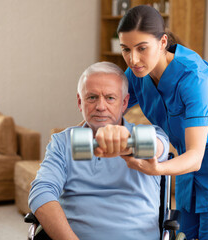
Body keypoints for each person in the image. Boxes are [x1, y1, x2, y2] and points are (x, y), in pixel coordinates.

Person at [116, 5, 208, 240]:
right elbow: (106, 109)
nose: (133, 59)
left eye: (142, 48)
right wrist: (76, 136)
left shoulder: (195, 79)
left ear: (162, 42)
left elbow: (196, 156)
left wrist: (157, 169)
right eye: (126, 49)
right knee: (184, 235)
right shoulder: (137, 73)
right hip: (187, 162)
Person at [28, 61, 170, 240]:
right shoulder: (63, 142)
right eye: (92, 97)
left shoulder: (153, 134)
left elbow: (157, 147)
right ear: (80, 102)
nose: (101, 106)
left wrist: (127, 141)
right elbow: (41, 191)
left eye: (110, 98)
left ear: (125, 102)